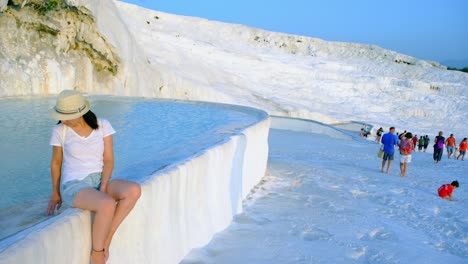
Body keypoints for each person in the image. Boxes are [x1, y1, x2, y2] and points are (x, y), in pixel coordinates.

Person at [46, 90, 141, 264]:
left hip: (99, 180)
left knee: (134, 190)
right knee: (107, 203)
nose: (63, 120)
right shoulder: (60, 130)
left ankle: (108, 238)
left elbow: (109, 160)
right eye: (61, 115)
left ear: (80, 113)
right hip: (75, 185)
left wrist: (104, 185)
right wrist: (55, 193)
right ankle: (97, 255)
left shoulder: (103, 125)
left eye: (67, 116)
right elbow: (56, 163)